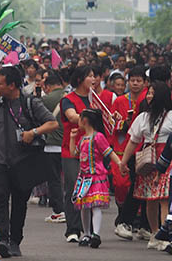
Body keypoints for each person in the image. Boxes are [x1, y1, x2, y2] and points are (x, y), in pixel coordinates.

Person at [0, 65, 58, 258]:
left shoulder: (30, 103)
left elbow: (52, 122)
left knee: (19, 202)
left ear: (12, 85)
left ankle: (15, 240)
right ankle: (2, 239)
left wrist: (33, 132)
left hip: (23, 162)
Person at [119, 82, 172, 251]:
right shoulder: (142, 117)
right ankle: (156, 234)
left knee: (164, 198)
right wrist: (123, 161)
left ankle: (164, 235)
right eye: (148, 93)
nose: (149, 96)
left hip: (167, 160)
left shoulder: (170, 115)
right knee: (150, 199)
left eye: (152, 93)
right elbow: (133, 141)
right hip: (149, 162)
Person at [70, 109, 121, 248]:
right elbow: (74, 153)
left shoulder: (98, 137)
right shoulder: (82, 139)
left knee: (95, 205)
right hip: (84, 177)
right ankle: (87, 233)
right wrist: (72, 138)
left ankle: (95, 233)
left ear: (84, 120)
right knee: (85, 207)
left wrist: (120, 164)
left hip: (96, 175)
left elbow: (109, 152)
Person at [113, 65, 150, 241]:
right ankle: (125, 219)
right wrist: (125, 124)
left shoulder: (146, 98)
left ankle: (143, 224)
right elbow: (113, 124)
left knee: (143, 188)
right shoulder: (120, 100)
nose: (135, 83)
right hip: (126, 148)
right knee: (129, 185)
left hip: (142, 149)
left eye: (139, 81)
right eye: (132, 80)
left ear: (145, 83)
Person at [59, 66, 96, 243]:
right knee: (74, 186)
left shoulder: (95, 99)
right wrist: (93, 115)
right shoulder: (68, 99)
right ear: (80, 79)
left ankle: (89, 228)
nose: (94, 79)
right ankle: (72, 229)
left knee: (92, 188)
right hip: (72, 150)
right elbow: (73, 117)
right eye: (90, 76)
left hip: (92, 150)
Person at [40, 70, 67, 223]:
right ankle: (71, 209)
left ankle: (59, 210)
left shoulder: (46, 100)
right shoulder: (70, 97)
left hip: (52, 145)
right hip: (68, 145)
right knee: (70, 179)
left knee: (55, 179)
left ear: (49, 86)